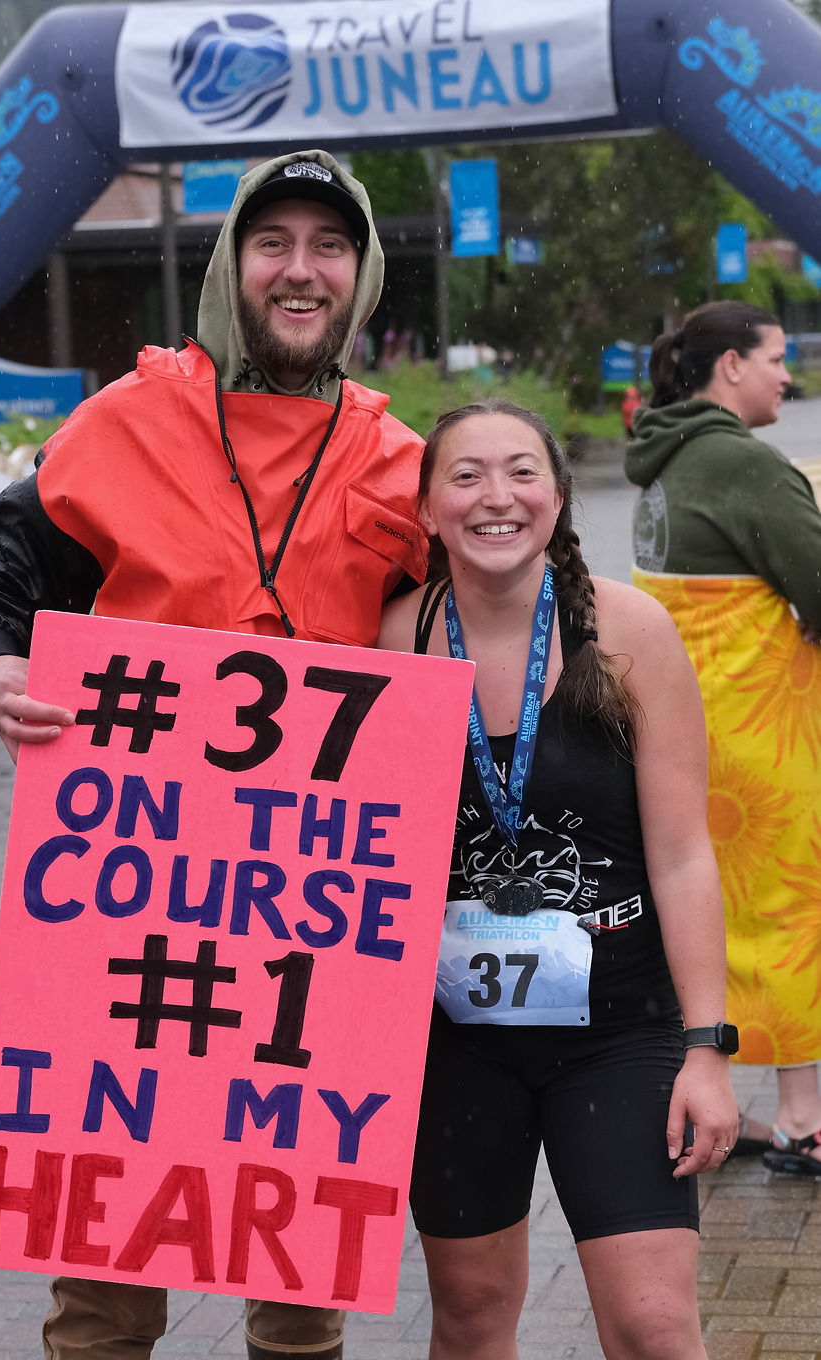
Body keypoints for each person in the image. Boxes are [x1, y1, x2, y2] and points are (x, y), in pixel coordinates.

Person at [0, 149, 428, 1360]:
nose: (299, 270)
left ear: (359, 280)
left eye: (328, 245)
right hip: (128, 909)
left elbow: (488, 647)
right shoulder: (123, 423)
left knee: (300, 1289)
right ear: (231, 266)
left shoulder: (404, 462)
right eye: (273, 244)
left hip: (314, 923)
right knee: (100, 1290)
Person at [376, 397, 737, 1360]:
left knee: (655, 1326)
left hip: (618, 1030)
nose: (497, 497)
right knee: (472, 1312)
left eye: (522, 472)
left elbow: (683, 852)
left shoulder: (630, 631)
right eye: (465, 476)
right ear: (425, 509)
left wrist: (708, 1047)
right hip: (454, 1044)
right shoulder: (388, 642)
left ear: (561, 497)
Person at [626, 301, 821, 1174]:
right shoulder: (742, 464)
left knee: (708, 912)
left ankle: (711, 1106)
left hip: (677, 731)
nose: (790, 375)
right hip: (760, 736)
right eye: (777, 358)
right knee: (792, 911)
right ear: (731, 366)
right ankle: (803, 1119)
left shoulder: (661, 461)